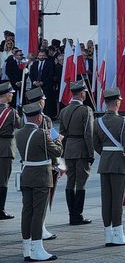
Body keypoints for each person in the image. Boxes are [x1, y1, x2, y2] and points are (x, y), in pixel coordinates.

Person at [17, 100, 62, 262]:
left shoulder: (19, 133)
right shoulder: (42, 134)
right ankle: (37, 248)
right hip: (41, 176)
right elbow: (57, 151)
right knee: (38, 213)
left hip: (26, 174)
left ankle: (27, 249)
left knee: (26, 211)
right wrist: (57, 139)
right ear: (38, 118)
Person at [94, 88, 125, 247]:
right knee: (117, 200)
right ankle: (118, 235)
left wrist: (106, 155)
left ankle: (108, 234)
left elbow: (96, 144)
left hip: (105, 164)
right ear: (118, 102)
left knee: (107, 200)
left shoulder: (97, 121)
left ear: (106, 103)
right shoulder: (122, 121)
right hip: (120, 164)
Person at [58, 80, 95, 225]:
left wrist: (62, 152)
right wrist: (91, 153)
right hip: (81, 149)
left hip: (68, 150)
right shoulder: (86, 110)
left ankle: (71, 214)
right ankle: (77, 215)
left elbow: (61, 134)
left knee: (70, 182)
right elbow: (89, 133)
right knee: (81, 183)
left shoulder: (64, 111)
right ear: (82, 94)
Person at [0, 81, 21, 220]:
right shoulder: (11, 112)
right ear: (5, 95)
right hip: (5, 148)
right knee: (3, 181)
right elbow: (20, 125)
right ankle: (0, 210)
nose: (12, 96)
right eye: (11, 93)